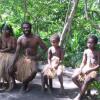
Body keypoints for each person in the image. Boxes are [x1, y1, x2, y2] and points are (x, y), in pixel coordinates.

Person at [9, 22, 47, 92]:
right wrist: (12, 63)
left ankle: (24, 83)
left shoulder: (36, 38)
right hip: (23, 58)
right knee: (10, 70)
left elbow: (45, 48)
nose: (26, 29)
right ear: (22, 29)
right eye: (24, 28)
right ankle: (14, 83)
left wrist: (38, 56)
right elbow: (17, 52)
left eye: (27, 27)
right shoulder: (20, 39)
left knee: (34, 71)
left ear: (30, 28)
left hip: (33, 59)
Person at [72, 35, 100, 100]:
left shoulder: (97, 52)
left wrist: (90, 70)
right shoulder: (86, 51)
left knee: (87, 80)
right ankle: (83, 92)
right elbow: (83, 62)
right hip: (85, 69)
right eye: (88, 42)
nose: (89, 44)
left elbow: (98, 65)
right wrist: (81, 69)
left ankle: (79, 96)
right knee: (73, 77)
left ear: (95, 43)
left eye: (91, 43)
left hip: (94, 71)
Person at [0, 23, 16, 90]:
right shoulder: (0, 38)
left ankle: (10, 83)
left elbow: (14, 50)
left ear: (10, 30)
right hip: (1, 54)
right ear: (1, 30)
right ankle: (2, 83)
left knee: (5, 64)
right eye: (3, 29)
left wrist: (4, 51)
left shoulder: (13, 38)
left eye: (7, 29)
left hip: (11, 55)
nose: (5, 31)